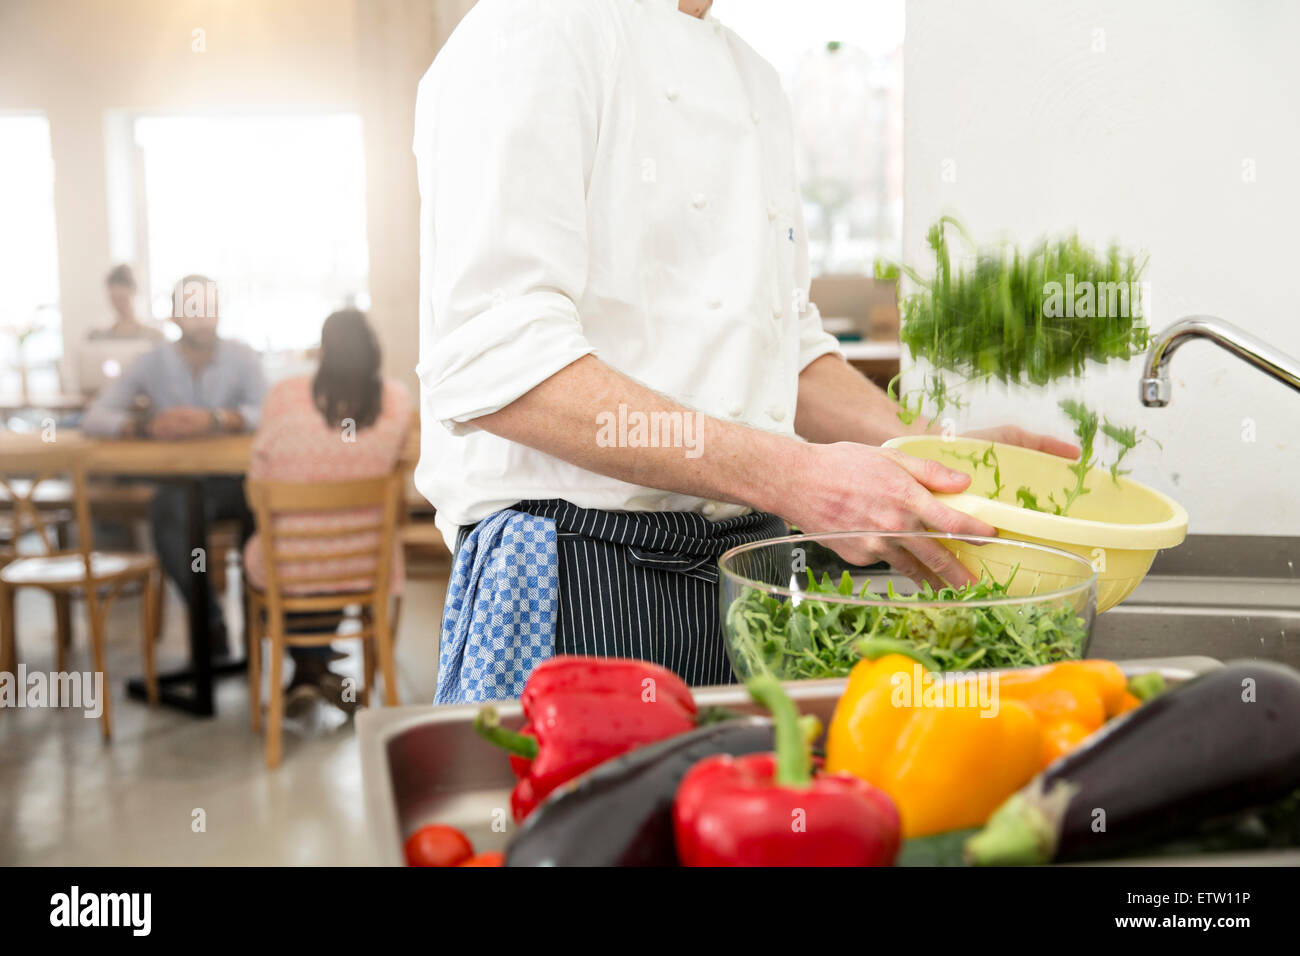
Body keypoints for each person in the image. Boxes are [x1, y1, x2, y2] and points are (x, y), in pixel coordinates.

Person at [414, 0, 1079, 701]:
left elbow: (785, 347)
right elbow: (500, 363)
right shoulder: (531, 27)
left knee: (754, 810)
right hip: (577, 574)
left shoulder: (755, 81)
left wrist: (931, 455)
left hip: (750, 573)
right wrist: (792, 476)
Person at [82, 275, 266, 657]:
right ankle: (210, 621)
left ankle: (261, 628)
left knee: (266, 515)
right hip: (180, 487)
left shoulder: (243, 357)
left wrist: (218, 419)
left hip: (235, 483)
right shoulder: (151, 362)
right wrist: (143, 425)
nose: (202, 318)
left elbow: (269, 412)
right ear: (175, 316)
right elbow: (95, 416)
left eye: (208, 308)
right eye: (192, 309)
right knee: (168, 516)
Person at [242, 309, 412, 711]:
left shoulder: (285, 395)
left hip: (286, 564)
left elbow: (256, 483)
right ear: (375, 353)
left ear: (321, 351)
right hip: (364, 563)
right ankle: (314, 669)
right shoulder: (397, 400)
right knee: (338, 538)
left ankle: (307, 669)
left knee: (270, 540)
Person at [88, 265, 163, 341]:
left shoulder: (154, 337)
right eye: (114, 298)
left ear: (134, 293)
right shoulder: (97, 336)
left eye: (122, 298)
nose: (118, 304)